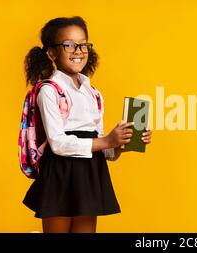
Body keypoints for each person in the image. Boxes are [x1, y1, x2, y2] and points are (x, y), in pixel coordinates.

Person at [22, 16, 152, 233]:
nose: (78, 50)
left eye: (83, 44)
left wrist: (120, 144)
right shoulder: (49, 91)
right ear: (52, 53)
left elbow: (103, 149)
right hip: (60, 173)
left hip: (89, 173)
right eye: (69, 45)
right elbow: (58, 144)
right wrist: (106, 140)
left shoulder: (93, 94)